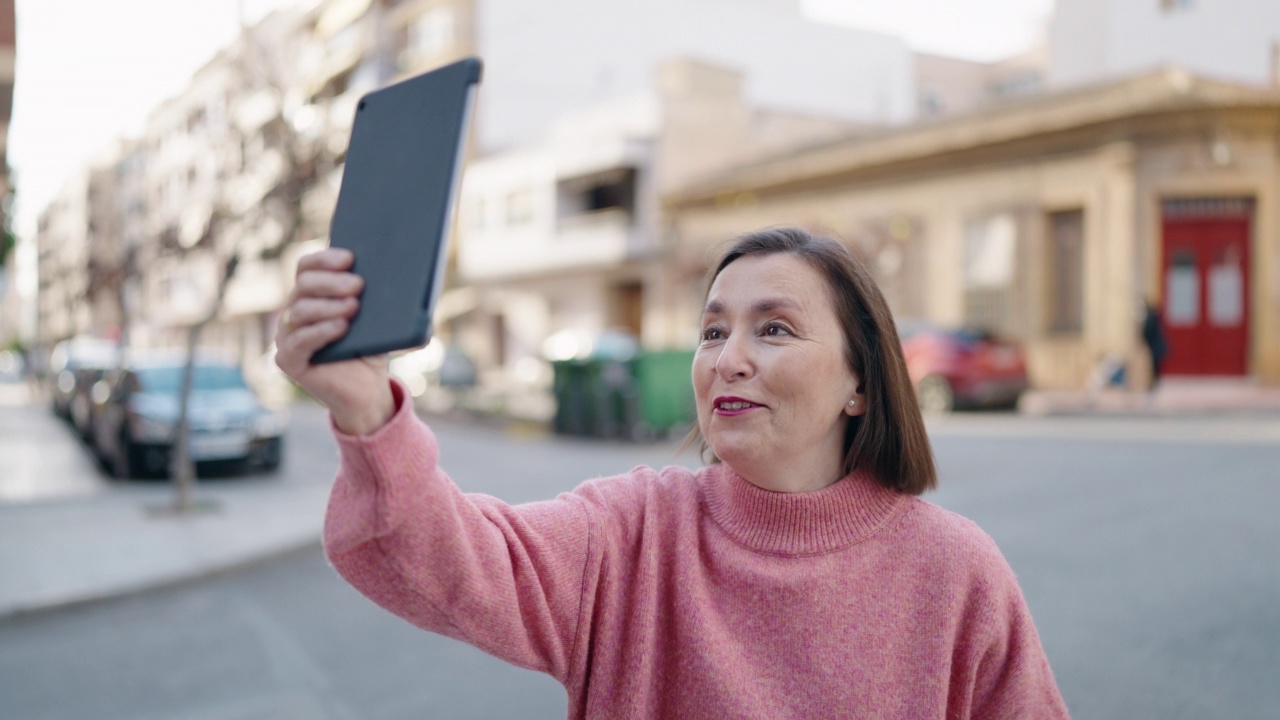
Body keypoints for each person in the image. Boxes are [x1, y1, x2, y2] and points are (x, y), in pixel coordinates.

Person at [275, 226, 1070, 719]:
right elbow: (440, 557)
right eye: (714, 329)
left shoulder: (956, 572)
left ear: (861, 381)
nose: (730, 359)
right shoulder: (632, 534)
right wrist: (367, 411)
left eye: (776, 329)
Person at [1140, 301, 1168, 392]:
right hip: (1154, 346)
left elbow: (1149, 331)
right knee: (1154, 366)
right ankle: (1153, 383)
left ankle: (1155, 384)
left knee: (1155, 365)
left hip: (1155, 346)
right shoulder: (1152, 317)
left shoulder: (1151, 318)